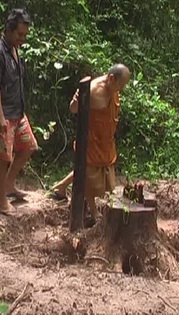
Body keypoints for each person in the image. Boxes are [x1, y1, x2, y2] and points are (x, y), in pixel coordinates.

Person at [50, 64, 131, 224]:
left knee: (93, 169)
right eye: (120, 86)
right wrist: (77, 99)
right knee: (88, 172)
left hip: (105, 140)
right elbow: (73, 109)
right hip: (91, 139)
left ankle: (60, 187)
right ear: (111, 78)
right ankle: (94, 213)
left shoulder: (111, 90)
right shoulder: (92, 91)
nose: (120, 90)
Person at [0, 9, 38, 212]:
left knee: (29, 147)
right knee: (3, 158)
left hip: (18, 112)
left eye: (25, 35)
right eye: (19, 34)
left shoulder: (14, 50)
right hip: (3, 115)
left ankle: (9, 185)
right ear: (8, 30)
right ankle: (0, 201)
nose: (22, 39)